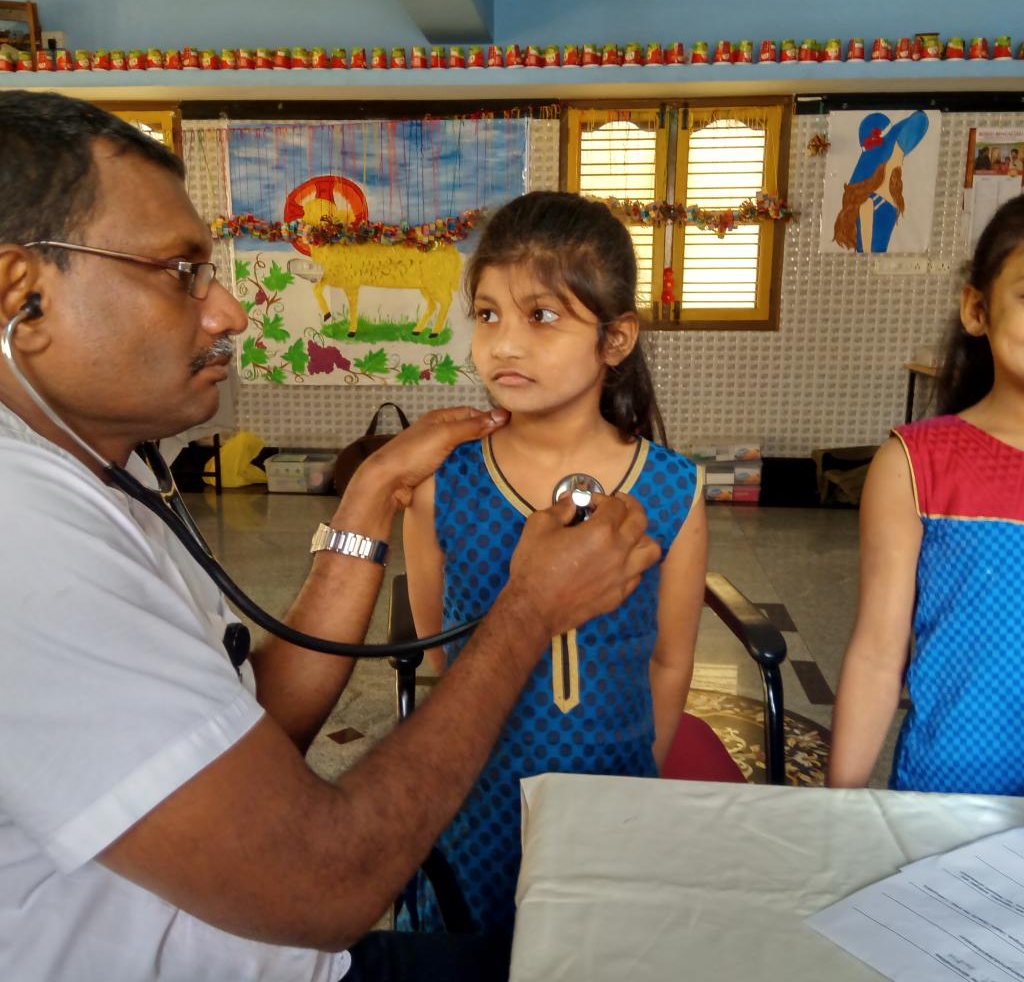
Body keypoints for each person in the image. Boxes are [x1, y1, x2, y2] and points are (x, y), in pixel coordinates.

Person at [0, 91, 662, 982]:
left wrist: (373, 496)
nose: (228, 311)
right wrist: (529, 610)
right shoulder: (23, 536)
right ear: (21, 296)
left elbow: (253, 736)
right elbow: (328, 878)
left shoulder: (88, 474)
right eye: (181, 271)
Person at [400, 191, 708, 935]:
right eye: (487, 314)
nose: (504, 343)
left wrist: (639, 771)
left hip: (616, 788)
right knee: (473, 944)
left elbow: (670, 660)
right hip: (476, 789)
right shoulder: (442, 483)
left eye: (540, 316)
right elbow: (441, 648)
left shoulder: (673, 488)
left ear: (615, 338)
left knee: (597, 947)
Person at [829, 194, 1024, 795]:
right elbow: (878, 654)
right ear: (977, 309)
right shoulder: (915, 463)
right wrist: (839, 807)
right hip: (947, 797)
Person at [833, 110, 929, 253]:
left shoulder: (891, 197)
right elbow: (866, 257)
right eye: (897, 146)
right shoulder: (869, 203)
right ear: (884, 156)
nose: (902, 153)